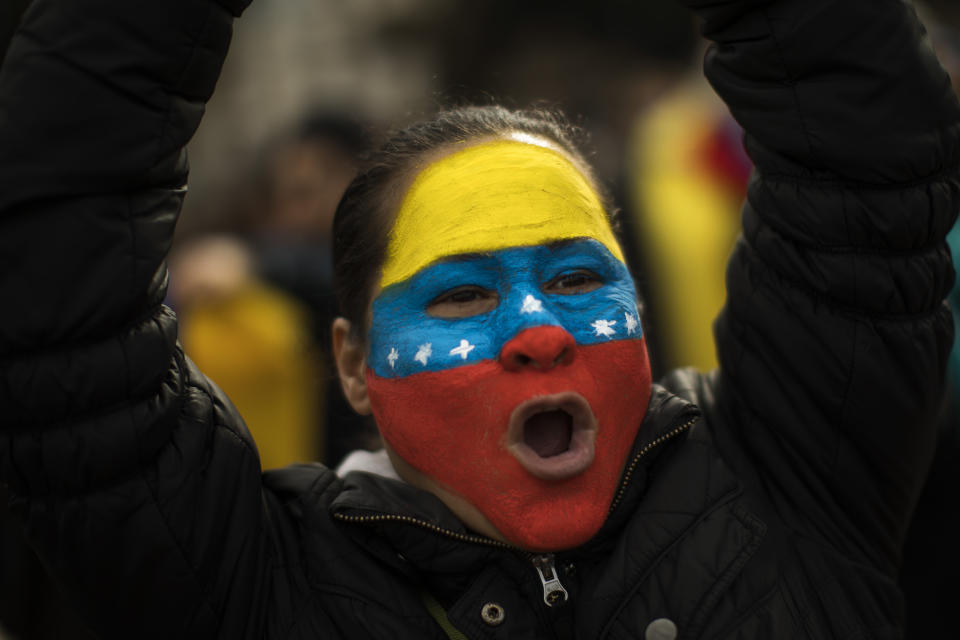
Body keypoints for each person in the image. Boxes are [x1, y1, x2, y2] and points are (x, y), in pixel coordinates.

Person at [0, 1, 957, 640]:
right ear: (354, 364)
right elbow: (54, 294)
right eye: (460, 294)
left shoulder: (789, 475)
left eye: (581, 279)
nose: (541, 332)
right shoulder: (253, 584)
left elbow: (867, 155)